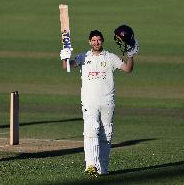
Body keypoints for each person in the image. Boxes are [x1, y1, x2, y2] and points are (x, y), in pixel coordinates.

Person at [59, 29, 139, 176]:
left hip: (107, 101)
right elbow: (66, 67)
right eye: (93, 40)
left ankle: (103, 169)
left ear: (102, 41)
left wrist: (131, 55)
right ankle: (91, 165)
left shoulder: (110, 57)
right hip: (89, 102)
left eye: (98, 40)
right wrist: (65, 56)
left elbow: (128, 69)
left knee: (106, 135)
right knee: (91, 131)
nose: (96, 42)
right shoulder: (83, 57)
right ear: (89, 42)